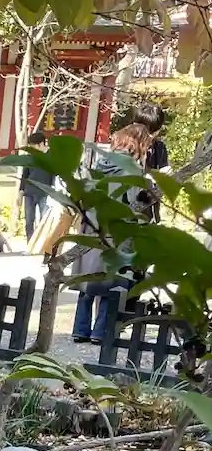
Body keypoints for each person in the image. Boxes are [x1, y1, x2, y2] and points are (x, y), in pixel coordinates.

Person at [71, 122, 156, 344]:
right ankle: (101, 331)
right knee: (114, 281)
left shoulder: (99, 165)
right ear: (139, 144)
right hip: (118, 230)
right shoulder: (133, 171)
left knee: (88, 279)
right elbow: (137, 204)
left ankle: (80, 329)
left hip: (92, 227)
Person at [21, 129, 54, 240]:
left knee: (44, 220)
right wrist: (21, 190)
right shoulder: (30, 156)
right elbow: (24, 174)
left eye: (33, 146)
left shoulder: (52, 156)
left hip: (44, 192)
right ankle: (30, 243)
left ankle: (42, 243)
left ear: (41, 144)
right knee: (29, 220)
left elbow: (55, 174)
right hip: (29, 191)